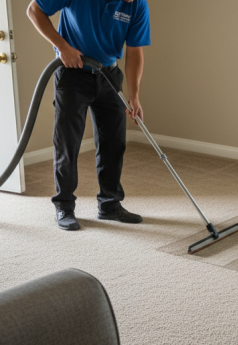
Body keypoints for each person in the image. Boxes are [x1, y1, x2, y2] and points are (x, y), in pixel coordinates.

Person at [27, 0, 150, 230]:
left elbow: (134, 51)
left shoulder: (137, 5)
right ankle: (64, 205)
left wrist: (134, 95)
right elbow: (34, 10)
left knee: (114, 143)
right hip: (73, 74)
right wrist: (63, 47)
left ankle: (110, 205)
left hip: (109, 75)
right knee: (68, 142)